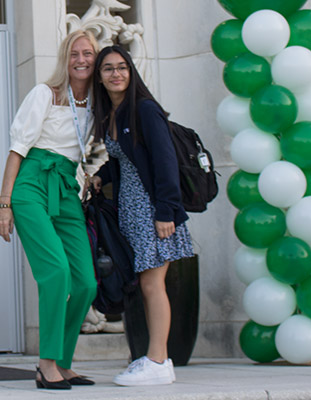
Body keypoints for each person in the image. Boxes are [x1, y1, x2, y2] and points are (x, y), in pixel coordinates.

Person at [0, 29, 100, 390]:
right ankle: (46, 363)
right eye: (74, 54)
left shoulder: (95, 103)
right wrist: (4, 203)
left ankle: (64, 362)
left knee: (85, 282)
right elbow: (17, 149)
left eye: (87, 53)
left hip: (67, 187)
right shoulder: (46, 93)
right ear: (64, 59)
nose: (81, 60)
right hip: (32, 183)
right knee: (56, 273)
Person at [89, 45, 195, 386]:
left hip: (153, 211)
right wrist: (100, 177)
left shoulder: (145, 110)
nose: (116, 74)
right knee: (146, 285)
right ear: (100, 77)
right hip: (132, 212)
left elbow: (165, 162)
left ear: (131, 72)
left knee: (152, 284)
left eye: (122, 67)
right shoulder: (114, 115)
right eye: (108, 69)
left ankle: (159, 361)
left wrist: (166, 211)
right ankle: (151, 357)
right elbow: (123, 160)